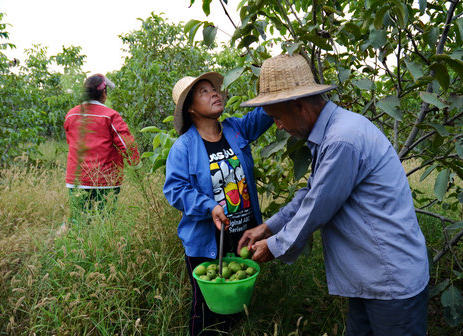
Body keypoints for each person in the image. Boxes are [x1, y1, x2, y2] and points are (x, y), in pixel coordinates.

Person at [237, 54, 430, 336]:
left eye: (277, 117)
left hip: (389, 281)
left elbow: (318, 206)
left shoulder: (342, 139)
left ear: (300, 106)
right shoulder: (333, 132)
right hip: (370, 277)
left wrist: (274, 245)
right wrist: (268, 227)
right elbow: (313, 192)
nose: (277, 125)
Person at [163, 72, 273, 335]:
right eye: (204, 91)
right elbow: (175, 189)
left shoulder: (236, 130)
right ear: (190, 107)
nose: (215, 93)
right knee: (205, 309)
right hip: (207, 242)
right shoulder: (185, 147)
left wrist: (272, 78)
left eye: (214, 89)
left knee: (235, 302)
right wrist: (208, 206)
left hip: (242, 235)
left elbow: (268, 110)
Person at [64, 74, 140, 223]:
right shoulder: (110, 115)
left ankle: (75, 244)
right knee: (104, 221)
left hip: (77, 178)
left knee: (78, 220)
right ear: (104, 93)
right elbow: (126, 145)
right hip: (105, 180)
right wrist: (137, 165)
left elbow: (71, 141)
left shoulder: (71, 114)